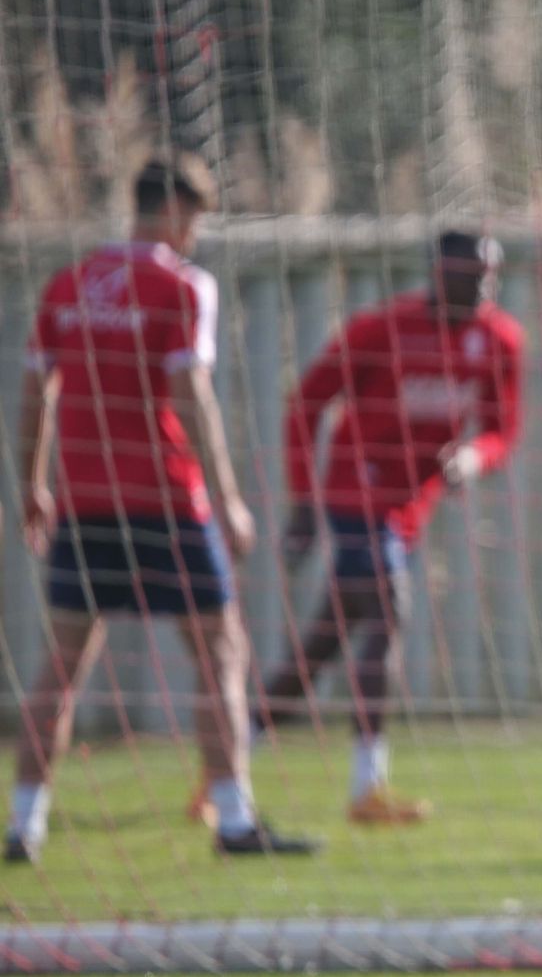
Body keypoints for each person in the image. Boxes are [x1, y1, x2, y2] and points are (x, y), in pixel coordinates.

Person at [7, 159, 318, 861]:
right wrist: (230, 499)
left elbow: (36, 395)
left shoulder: (68, 284)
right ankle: (234, 821)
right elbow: (190, 394)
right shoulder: (182, 285)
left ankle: (24, 824)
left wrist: (31, 483)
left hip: (84, 505)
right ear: (176, 210)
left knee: (61, 665)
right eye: (197, 219)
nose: (196, 235)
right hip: (168, 504)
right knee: (219, 653)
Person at [243, 230, 522, 826]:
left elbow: (502, 430)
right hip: (354, 493)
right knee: (390, 611)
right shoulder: (380, 330)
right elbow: (306, 403)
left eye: (489, 276)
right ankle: (366, 787)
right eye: (467, 275)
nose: (480, 287)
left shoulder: (501, 340)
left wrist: (472, 458)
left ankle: (233, 752)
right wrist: (303, 501)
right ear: (434, 272)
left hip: (408, 510)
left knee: (323, 645)